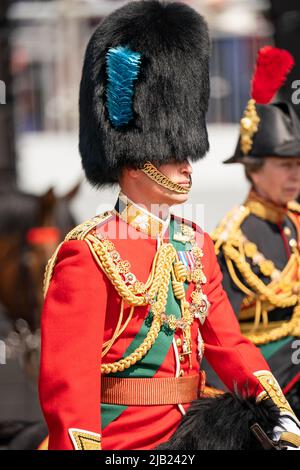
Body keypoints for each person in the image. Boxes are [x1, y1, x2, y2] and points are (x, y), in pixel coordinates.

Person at [39, 2, 300, 450]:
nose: (186, 166)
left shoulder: (194, 242)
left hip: (194, 428)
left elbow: (229, 344)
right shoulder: (89, 252)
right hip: (126, 440)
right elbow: (69, 386)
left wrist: (279, 411)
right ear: (134, 160)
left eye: (186, 152)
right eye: (171, 154)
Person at [210, 46, 300, 418]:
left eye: (298, 163)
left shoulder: (296, 220)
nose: (295, 173)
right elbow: (221, 339)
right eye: (284, 164)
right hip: (268, 385)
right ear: (254, 168)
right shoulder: (234, 240)